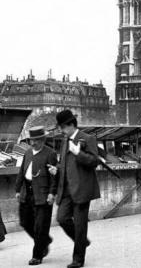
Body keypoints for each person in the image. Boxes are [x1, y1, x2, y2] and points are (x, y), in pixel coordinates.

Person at [53, 110, 100, 268]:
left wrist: (78, 153)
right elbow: (64, 164)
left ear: (71, 125)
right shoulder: (65, 141)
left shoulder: (88, 139)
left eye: (63, 127)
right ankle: (82, 241)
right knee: (61, 218)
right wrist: (57, 169)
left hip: (82, 189)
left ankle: (78, 260)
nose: (61, 131)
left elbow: (94, 161)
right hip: (66, 190)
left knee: (80, 225)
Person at [15, 126, 58, 265]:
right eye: (31, 140)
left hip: (43, 194)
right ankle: (44, 241)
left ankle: (37, 256)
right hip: (27, 192)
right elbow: (22, 171)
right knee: (25, 222)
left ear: (43, 140)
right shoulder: (27, 153)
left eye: (36, 140)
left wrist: (52, 193)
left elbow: (54, 177)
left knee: (41, 226)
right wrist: (17, 190)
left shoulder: (50, 153)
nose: (33, 143)